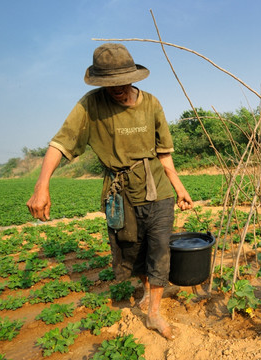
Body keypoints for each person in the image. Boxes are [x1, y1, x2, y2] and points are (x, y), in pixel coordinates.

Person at [26, 43, 192, 340]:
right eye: (109, 82)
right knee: (133, 248)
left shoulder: (152, 103)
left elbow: (164, 153)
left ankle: (154, 313)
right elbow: (60, 144)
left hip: (159, 189)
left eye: (121, 80)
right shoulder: (90, 105)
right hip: (121, 194)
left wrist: (180, 188)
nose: (116, 87)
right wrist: (41, 186)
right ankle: (146, 291)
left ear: (133, 76)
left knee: (159, 248)